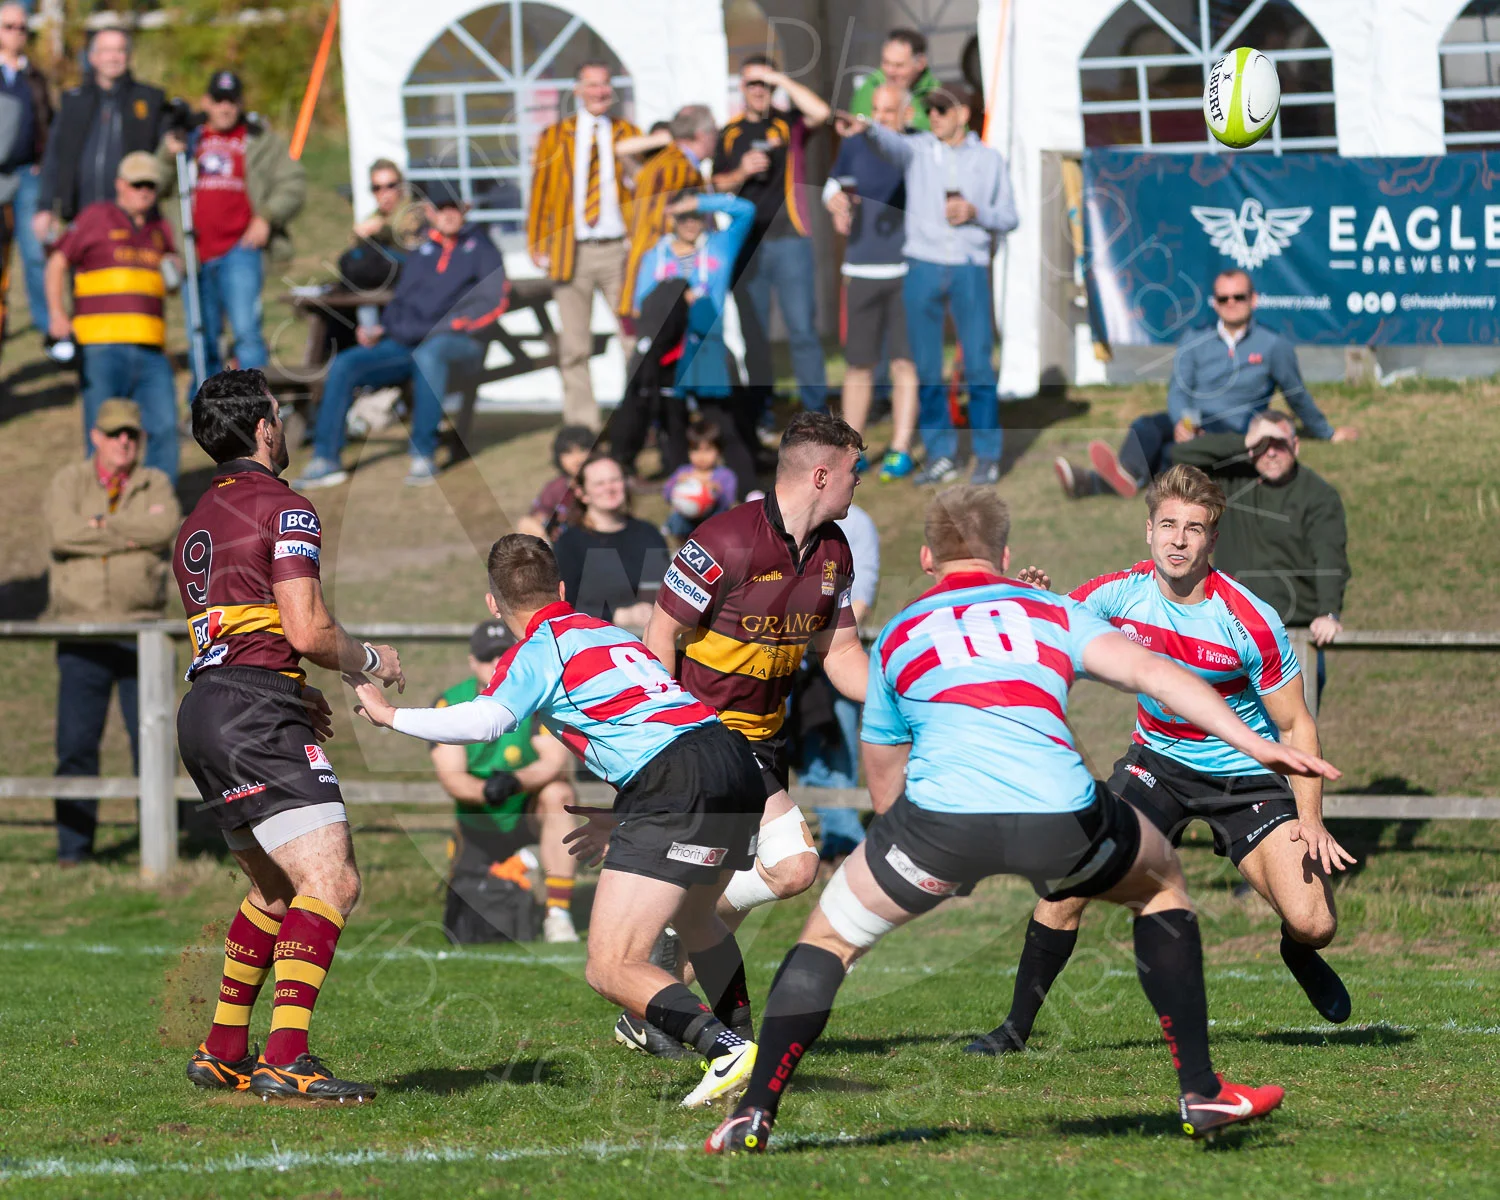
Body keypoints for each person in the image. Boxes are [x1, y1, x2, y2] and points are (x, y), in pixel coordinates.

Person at [705, 485, 1340, 1155]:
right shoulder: (1050, 610)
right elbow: (1154, 675)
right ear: (1005, 556)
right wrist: (1259, 743)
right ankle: (1201, 1091)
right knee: (1159, 887)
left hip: (937, 824)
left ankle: (755, 1112)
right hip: (1059, 812)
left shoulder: (898, 633)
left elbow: (883, 761)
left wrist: (905, 849)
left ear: (926, 558)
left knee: (827, 942)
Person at [351, 533, 766, 1110]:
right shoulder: (610, 633)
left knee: (611, 965)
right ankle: (746, 1044)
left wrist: (390, 715)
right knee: (698, 915)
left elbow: (488, 720)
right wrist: (633, 808)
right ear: (563, 588)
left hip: (674, 780)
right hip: (729, 759)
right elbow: (655, 722)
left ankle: (724, 1050)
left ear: (494, 603)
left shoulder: (539, 647)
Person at [972, 465, 1355, 1062]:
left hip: (1244, 773)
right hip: (1157, 763)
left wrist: (1311, 818)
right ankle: (1014, 1030)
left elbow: (1295, 724)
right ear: (1149, 530)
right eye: (1168, 525)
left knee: (1315, 923)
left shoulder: (1248, 618)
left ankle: (1296, 951)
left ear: (1212, 540)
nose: (1179, 540)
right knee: (1070, 879)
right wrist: (1031, 599)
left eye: (1194, 529)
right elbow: (1048, 637)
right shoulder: (1118, 592)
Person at [175, 368, 405, 1102]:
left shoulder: (194, 519)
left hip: (209, 710)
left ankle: (221, 1050)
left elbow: (238, 631)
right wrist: (368, 660)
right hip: (250, 713)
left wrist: (288, 692)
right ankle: (286, 1056)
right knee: (331, 880)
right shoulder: (285, 506)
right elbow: (305, 630)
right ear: (264, 427)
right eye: (281, 413)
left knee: (276, 891)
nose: (287, 424)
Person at [633, 412, 869, 1053]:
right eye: (855, 469)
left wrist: (900, 699)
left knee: (782, 873)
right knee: (791, 868)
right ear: (821, 473)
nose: (859, 483)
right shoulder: (724, 539)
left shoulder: (833, 551)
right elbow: (660, 635)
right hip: (702, 737)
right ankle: (697, 1013)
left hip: (763, 740)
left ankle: (660, 988)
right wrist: (662, 733)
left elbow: (841, 653)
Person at [837, 88, 1018, 487]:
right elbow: (887, 140)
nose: (933, 115)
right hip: (922, 266)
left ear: (964, 112)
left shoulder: (989, 160)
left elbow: (1009, 216)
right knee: (927, 366)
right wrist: (865, 127)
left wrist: (975, 212)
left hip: (969, 267)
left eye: (942, 108)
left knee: (978, 363)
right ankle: (941, 454)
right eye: (930, 109)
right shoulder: (916, 149)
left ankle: (987, 454)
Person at [295, 181, 508, 489]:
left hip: (460, 344)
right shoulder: (422, 252)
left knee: (429, 354)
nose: (448, 215)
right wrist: (381, 329)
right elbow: (401, 301)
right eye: (441, 209)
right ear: (429, 213)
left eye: (454, 208)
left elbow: (497, 298)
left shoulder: (482, 249)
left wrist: (458, 325)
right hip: (405, 343)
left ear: (465, 210)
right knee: (345, 363)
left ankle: (424, 453)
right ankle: (326, 458)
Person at [1072, 270, 1358, 499]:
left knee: (1172, 453)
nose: (1231, 303)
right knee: (1146, 427)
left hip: (1237, 425)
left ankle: (1096, 483)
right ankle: (1128, 474)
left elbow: (1297, 395)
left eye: (1238, 297)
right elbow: (1179, 389)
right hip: (1195, 417)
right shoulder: (1194, 338)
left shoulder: (1274, 345)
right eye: (1223, 299)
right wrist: (1183, 421)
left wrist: (1327, 432)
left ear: (1253, 299)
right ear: (1215, 302)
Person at [46, 398, 180, 864]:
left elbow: (165, 529)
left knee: (155, 745)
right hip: (80, 634)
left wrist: (99, 526)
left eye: (132, 434)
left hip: (144, 632)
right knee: (76, 745)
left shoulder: (157, 481)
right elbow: (61, 533)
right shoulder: (68, 481)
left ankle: (161, 848)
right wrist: (128, 533)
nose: (124, 441)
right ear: (95, 437)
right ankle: (73, 851)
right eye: (114, 433)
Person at [1170, 408, 1351, 692]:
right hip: (1227, 635)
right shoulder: (1230, 481)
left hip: (1290, 638)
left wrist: (1328, 613)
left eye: (1279, 444)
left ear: (1296, 445)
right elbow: (1180, 457)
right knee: (1224, 732)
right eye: (1262, 446)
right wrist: (1243, 443)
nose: (1271, 453)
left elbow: (1330, 556)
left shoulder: (1318, 495)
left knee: (1290, 734)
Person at [433, 620, 580, 944]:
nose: (496, 664)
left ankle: (558, 915)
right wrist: (486, 790)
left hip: (525, 810)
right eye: (487, 657)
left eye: (504, 655)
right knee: (465, 924)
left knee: (560, 794)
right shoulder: (449, 703)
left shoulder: (538, 699)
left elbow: (555, 762)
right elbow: (452, 778)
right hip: (477, 822)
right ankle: (526, 864)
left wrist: (515, 782)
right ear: (473, 662)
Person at [159, 70, 306, 392]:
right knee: (202, 332)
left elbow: (293, 182)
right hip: (194, 252)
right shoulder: (189, 138)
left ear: (240, 104)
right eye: (219, 101)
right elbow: (157, 186)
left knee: (246, 331)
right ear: (207, 102)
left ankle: (253, 405)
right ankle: (207, 404)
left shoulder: (259, 140)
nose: (225, 108)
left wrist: (266, 217)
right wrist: (169, 155)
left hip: (240, 249)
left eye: (232, 101)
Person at [46, 151, 181, 483]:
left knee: (164, 427)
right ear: (120, 185)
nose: (145, 191)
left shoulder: (158, 226)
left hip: (151, 349)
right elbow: (57, 262)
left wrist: (175, 268)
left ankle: (158, 507)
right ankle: (103, 512)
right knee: (104, 432)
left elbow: (173, 283)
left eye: (151, 185)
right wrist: (57, 314)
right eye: (138, 184)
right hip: (101, 347)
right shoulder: (96, 216)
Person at [713, 56, 832, 416]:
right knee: (755, 334)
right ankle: (762, 411)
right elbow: (717, 183)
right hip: (747, 246)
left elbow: (822, 114)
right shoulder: (730, 133)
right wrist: (742, 172)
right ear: (742, 89)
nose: (759, 90)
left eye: (765, 84)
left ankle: (816, 410)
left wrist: (780, 76)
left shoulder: (788, 122)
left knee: (802, 332)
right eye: (752, 83)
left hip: (791, 238)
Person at [525, 61, 641, 430]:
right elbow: (540, 191)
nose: (599, 92)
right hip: (569, 252)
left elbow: (643, 187)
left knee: (631, 339)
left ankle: (636, 421)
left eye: (605, 84)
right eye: (592, 85)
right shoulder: (555, 136)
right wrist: (535, 241)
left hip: (616, 252)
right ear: (577, 90)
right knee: (574, 347)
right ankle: (582, 427)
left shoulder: (628, 132)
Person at [628, 190, 758, 482]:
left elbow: (746, 210)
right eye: (683, 215)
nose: (690, 222)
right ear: (672, 217)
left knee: (724, 420)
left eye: (696, 216)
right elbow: (641, 305)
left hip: (708, 348)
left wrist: (699, 202)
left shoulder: (720, 244)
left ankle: (746, 483)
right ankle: (679, 482)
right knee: (673, 421)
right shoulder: (655, 256)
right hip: (671, 352)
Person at [824, 82, 917, 479]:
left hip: (906, 268)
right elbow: (833, 184)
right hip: (860, 269)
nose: (880, 118)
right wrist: (834, 204)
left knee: (903, 363)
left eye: (889, 111)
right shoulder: (855, 145)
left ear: (906, 115)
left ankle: (900, 448)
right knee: (858, 365)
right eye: (876, 110)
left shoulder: (917, 148)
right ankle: (851, 448)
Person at [794, 499, 879, 861]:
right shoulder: (759, 514)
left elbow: (862, 591)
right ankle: (839, 838)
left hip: (830, 649)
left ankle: (844, 841)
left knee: (836, 743)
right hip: (776, 653)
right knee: (792, 748)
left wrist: (820, 640)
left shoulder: (855, 524)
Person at [34, 27, 164, 238]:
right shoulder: (73, 101)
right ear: (92, 57)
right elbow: (54, 156)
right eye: (106, 51)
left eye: (119, 51)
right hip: (79, 214)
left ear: (128, 56)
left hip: (132, 218)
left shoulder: (150, 100)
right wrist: (45, 206)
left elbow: (163, 161)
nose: (113, 57)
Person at [552, 452, 668, 627]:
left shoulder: (649, 533)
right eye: (599, 483)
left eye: (615, 480)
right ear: (582, 493)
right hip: (598, 642)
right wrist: (618, 616)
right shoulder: (569, 544)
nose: (609, 488)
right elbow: (564, 608)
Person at [621, 104, 715, 320]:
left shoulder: (668, 163)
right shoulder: (678, 167)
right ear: (703, 135)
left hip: (656, 271)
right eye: (715, 134)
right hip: (664, 276)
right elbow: (662, 221)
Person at [0, 1, 55, 336]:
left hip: (27, 174)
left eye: (23, 28)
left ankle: (48, 327)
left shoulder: (34, 76)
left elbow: (49, 122)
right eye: (9, 27)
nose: (17, 33)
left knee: (36, 251)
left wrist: (43, 162)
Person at [849, 28, 942, 132]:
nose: (890, 71)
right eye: (886, 62)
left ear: (920, 63)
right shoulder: (869, 88)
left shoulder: (939, 95)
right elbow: (856, 132)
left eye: (899, 65)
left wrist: (915, 122)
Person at [516, 423, 595, 542]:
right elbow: (538, 516)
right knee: (525, 524)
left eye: (583, 450)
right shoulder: (556, 488)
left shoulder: (603, 481)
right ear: (559, 457)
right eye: (569, 452)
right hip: (565, 544)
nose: (577, 459)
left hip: (596, 540)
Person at [662, 419, 738, 539]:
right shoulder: (683, 472)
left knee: (722, 521)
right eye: (695, 450)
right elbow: (666, 494)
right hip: (687, 517)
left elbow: (728, 501)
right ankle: (682, 545)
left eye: (708, 450)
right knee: (677, 518)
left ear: (719, 451)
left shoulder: (725, 475)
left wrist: (716, 492)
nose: (701, 456)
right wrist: (676, 485)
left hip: (712, 518)